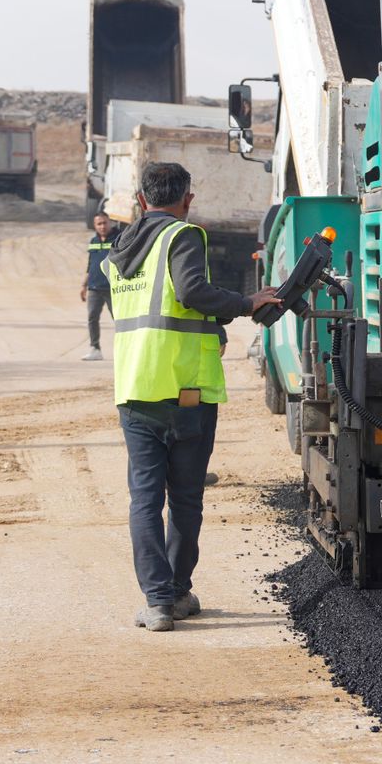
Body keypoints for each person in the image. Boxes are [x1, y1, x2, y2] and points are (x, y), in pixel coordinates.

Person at [105, 162, 280, 633]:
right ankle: (176, 593)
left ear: (141, 201)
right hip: (185, 389)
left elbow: (153, 309)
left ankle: (157, 603)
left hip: (136, 388)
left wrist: (210, 326)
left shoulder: (119, 250)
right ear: (187, 199)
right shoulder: (182, 235)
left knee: (144, 498)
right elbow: (190, 291)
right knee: (184, 496)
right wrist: (246, 304)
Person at [80, 211, 119, 360]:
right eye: (99, 224)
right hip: (94, 287)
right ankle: (95, 348)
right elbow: (91, 265)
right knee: (92, 318)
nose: (102, 226)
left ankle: (123, 349)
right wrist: (84, 285)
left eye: (105, 223)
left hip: (112, 288)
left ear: (110, 222)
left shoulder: (118, 238)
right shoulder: (94, 241)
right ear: (95, 226)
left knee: (119, 319)